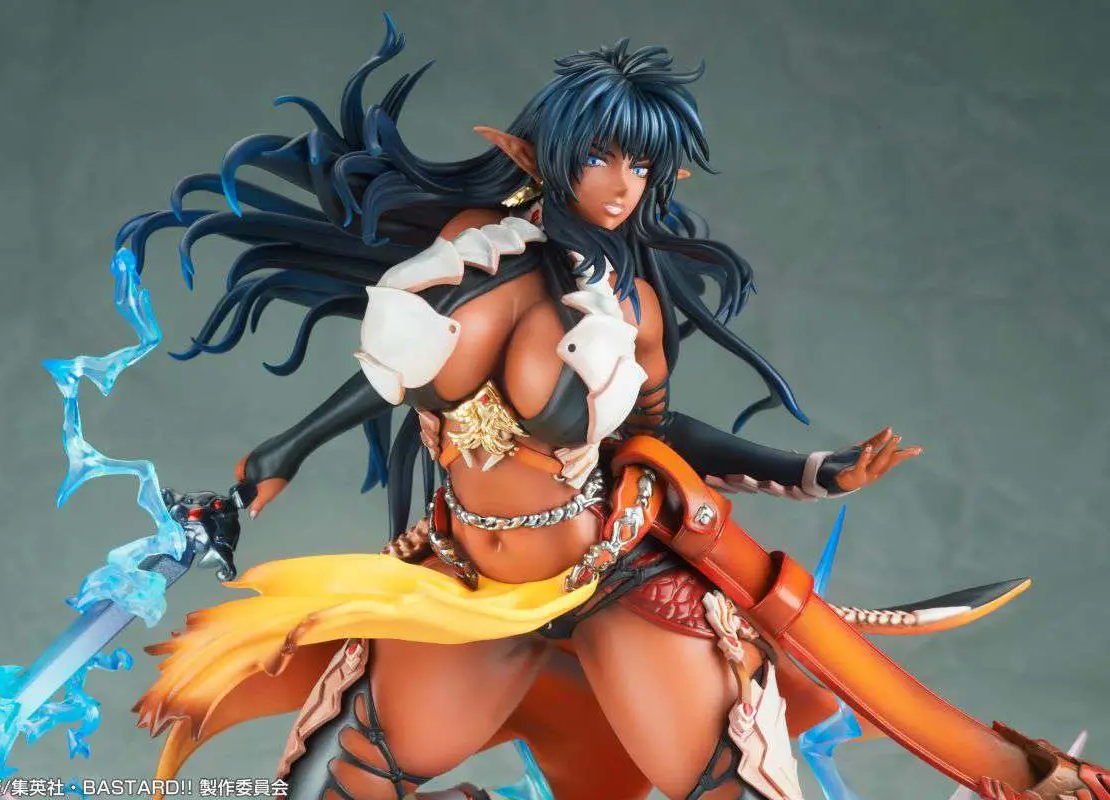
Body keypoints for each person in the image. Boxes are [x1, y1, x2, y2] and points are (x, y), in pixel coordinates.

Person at [125, 17, 1108, 800]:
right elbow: (390, 376)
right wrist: (263, 474)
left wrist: (811, 472)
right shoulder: (476, 253)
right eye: (600, 158)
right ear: (544, 155)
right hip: (466, 584)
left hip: (612, 571)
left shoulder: (633, 300)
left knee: (725, 779)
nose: (620, 185)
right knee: (359, 773)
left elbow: (657, 430)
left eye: (640, 166)